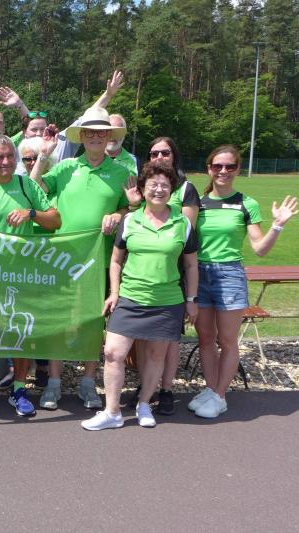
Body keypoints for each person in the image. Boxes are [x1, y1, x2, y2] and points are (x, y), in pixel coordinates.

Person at [82, 162, 198, 430]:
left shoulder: (182, 223)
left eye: (165, 185)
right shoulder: (129, 220)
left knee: (156, 357)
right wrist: (114, 293)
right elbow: (116, 261)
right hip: (130, 298)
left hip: (167, 301)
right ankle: (112, 412)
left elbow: (191, 265)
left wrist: (191, 300)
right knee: (113, 353)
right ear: (143, 189)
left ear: (172, 190)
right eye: (153, 185)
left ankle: (144, 403)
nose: (159, 190)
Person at [191, 146, 299, 418]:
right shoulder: (198, 203)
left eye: (230, 166)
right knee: (205, 339)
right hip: (199, 274)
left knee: (227, 341)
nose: (223, 171)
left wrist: (278, 225)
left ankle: (220, 395)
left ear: (238, 169)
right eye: (218, 166)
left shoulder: (246, 203)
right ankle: (211, 389)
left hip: (229, 275)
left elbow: (260, 249)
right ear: (209, 169)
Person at [38, 105, 133, 411]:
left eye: (101, 133)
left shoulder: (122, 173)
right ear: (82, 136)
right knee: (58, 319)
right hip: (61, 259)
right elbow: (35, 187)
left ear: (108, 137)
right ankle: (53, 383)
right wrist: (42, 157)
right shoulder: (65, 167)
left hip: (99, 260)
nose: (95, 137)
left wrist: (119, 214)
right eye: (90, 132)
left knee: (93, 322)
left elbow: (133, 208)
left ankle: (88, 383)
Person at [0, 134, 61, 417]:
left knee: (21, 331)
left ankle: (19, 388)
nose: (5, 162)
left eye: (9, 156)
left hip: (22, 274)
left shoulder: (27, 185)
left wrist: (31, 213)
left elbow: (56, 221)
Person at [125, 137, 199, 415]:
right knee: (145, 339)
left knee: (169, 340)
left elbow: (186, 231)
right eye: (153, 152)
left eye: (165, 152)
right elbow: (139, 223)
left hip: (173, 271)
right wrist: (134, 206)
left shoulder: (185, 188)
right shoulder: (146, 186)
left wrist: (190, 296)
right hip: (146, 272)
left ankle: (166, 389)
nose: (159, 157)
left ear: (174, 155)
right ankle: (147, 387)